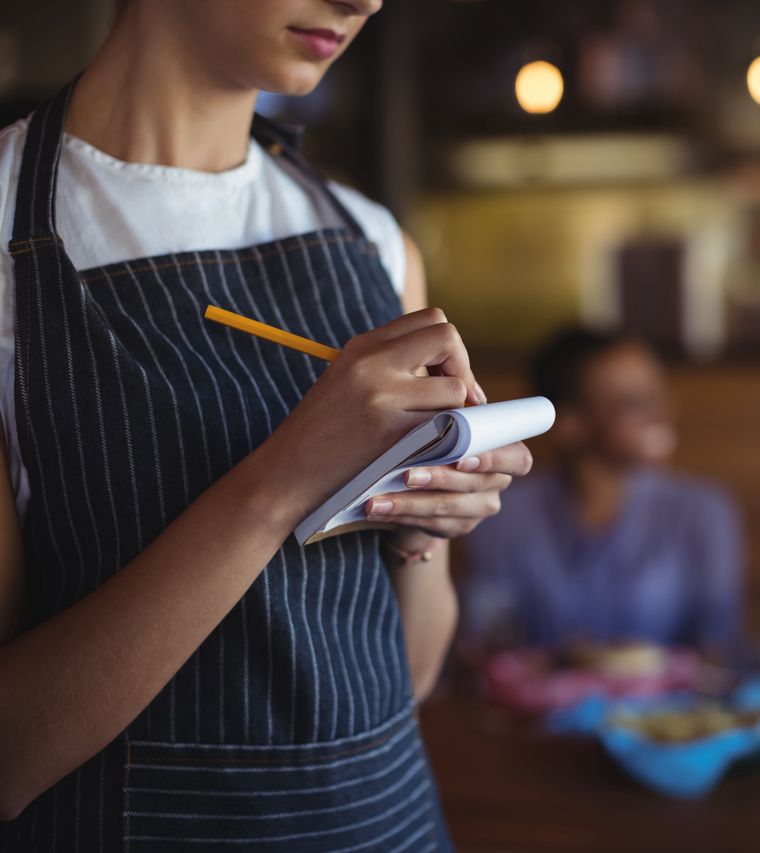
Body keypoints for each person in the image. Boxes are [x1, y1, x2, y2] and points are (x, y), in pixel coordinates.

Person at [0, 1, 532, 848]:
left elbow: (415, 672)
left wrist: (420, 532)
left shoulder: (374, 242)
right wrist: (279, 483)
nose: (363, 1)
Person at [463, 328, 743, 657]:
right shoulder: (503, 512)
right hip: (539, 707)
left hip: (666, 708)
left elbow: (719, 651)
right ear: (569, 423)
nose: (660, 414)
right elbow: (487, 645)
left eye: (659, 396)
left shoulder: (702, 512)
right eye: (633, 403)